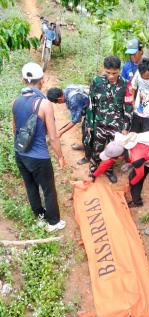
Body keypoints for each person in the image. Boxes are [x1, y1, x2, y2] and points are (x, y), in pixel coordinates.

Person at [13, 62, 66, 232]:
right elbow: (53, 136)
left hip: (20, 153)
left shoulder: (15, 102)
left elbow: (15, 130)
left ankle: (40, 217)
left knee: (30, 186)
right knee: (49, 189)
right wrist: (60, 156)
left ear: (23, 80)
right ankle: (53, 222)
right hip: (39, 157)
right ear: (41, 81)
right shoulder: (44, 104)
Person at [85, 131, 149, 235]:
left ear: (120, 157)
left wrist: (129, 185)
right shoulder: (119, 145)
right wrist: (94, 175)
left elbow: (140, 174)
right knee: (132, 178)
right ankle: (137, 201)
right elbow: (107, 163)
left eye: (112, 158)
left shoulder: (135, 157)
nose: (111, 160)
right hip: (145, 157)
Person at [86, 56, 133, 183]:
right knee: (97, 148)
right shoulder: (96, 81)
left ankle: (108, 170)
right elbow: (91, 103)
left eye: (114, 73)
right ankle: (93, 169)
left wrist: (125, 128)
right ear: (103, 69)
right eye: (108, 73)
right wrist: (90, 123)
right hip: (100, 123)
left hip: (116, 125)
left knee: (113, 151)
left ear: (119, 70)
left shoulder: (126, 84)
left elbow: (128, 107)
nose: (111, 76)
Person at [47, 84, 90, 165]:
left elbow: (75, 120)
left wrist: (60, 132)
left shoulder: (74, 100)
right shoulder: (67, 88)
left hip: (95, 110)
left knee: (87, 132)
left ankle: (88, 156)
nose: (57, 104)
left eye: (56, 102)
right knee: (84, 129)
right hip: (88, 105)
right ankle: (85, 145)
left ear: (59, 99)